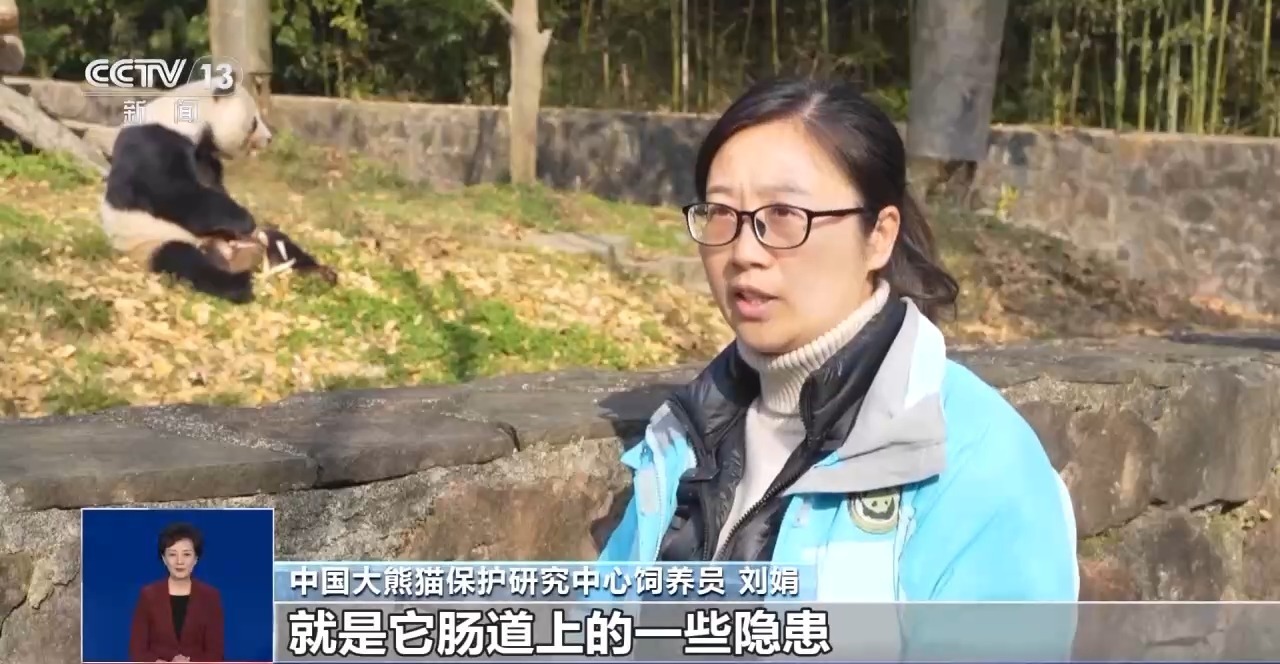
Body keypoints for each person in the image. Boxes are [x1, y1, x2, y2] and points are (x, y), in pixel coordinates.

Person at [597, 77, 1079, 603]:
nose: (743, 253)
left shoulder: (976, 460)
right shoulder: (678, 442)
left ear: (879, 236)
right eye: (721, 214)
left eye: (784, 215)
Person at [129, 522, 224, 663]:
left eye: (186, 554)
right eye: (172, 554)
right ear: (164, 558)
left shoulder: (210, 597)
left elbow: (216, 653)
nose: (179, 561)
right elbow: (137, 650)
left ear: (196, 558)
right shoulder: (148, 595)